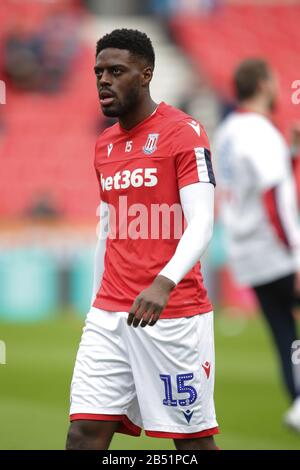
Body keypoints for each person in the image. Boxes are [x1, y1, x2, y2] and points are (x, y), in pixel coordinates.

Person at [65, 28, 218, 450]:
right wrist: (96, 304)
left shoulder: (184, 132)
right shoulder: (104, 145)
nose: (103, 81)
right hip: (109, 316)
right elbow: (107, 229)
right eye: (98, 72)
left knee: (191, 444)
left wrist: (163, 283)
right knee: (83, 434)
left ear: (146, 74)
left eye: (116, 71)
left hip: (172, 314)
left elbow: (202, 222)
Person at [214, 58, 300, 432]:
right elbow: (272, 197)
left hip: (246, 250)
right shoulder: (261, 132)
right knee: (284, 327)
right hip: (277, 248)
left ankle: (298, 402)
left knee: (283, 330)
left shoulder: (227, 131)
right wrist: (296, 255)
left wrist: (291, 154)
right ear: (264, 84)